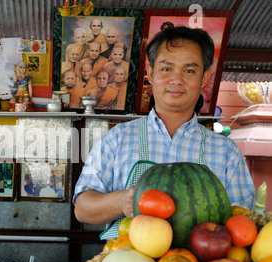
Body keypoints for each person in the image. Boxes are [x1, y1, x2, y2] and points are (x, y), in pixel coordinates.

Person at [73, 26, 255, 240]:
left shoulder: (226, 152)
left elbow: (244, 222)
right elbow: (83, 209)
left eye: (189, 71)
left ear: (205, 78)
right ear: (150, 73)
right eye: (166, 69)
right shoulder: (117, 139)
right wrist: (122, 201)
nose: (176, 80)